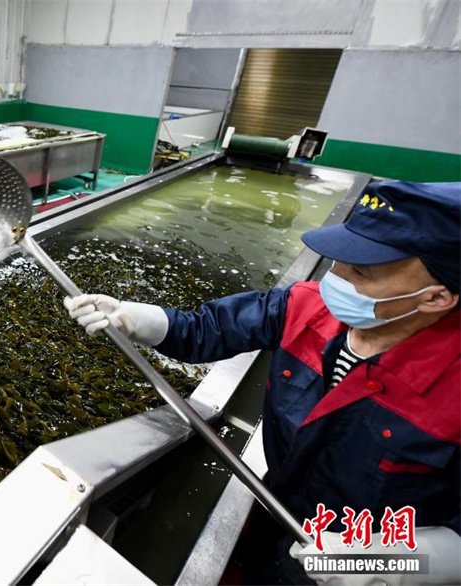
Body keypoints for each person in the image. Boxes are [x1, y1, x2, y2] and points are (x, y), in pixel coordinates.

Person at [65, 181, 460, 584]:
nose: (335, 278)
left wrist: (396, 563)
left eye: (360, 270)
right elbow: (207, 329)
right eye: (338, 259)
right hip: (277, 508)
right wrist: (135, 319)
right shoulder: (304, 306)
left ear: (436, 297)